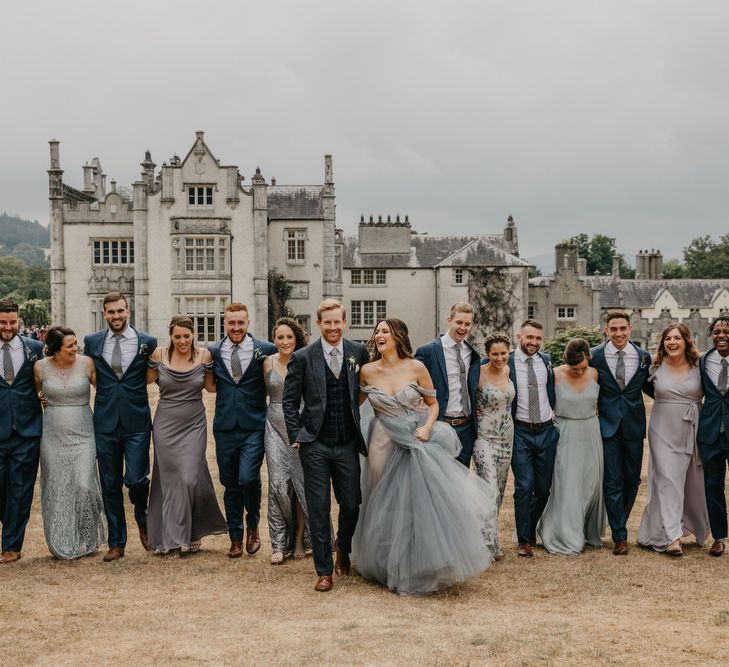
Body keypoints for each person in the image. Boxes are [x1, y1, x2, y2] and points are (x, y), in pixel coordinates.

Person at [354, 318, 496, 595]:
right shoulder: (366, 371)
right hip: (382, 439)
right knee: (383, 501)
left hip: (415, 436)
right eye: (378, 332)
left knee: (417, 500)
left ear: (398, 337)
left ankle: (421, 563)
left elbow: (433, 404)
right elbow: (352, 403)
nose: (380, 335)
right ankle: (385, 563)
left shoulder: (416, 367)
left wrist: (427, 427)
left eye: (386, 331)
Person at [282, 299, 369, 592]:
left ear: (344, 322)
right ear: (318, 324)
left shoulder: (359, 353)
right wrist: (297, 434)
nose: (333, 327)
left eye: (337, 322)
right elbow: (290, 402)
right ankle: (324, 570)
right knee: (318, 508)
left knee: (352, 504)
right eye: (327, 322)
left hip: (347, 442)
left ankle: (342, 547)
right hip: (315, 444)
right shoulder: (303, 357)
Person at [83, 292, 157, 562]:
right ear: (104, 313)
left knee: (137, 480)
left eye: (120, 311)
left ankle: (142, 516)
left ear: (129, 311)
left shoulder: (147, 342)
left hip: (137, 421)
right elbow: (87, 374)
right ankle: (117, 542)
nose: (116, 316)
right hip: (105, 422)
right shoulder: (91, 342)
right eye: (111, 312)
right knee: (110, 483)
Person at [146, 316, 226, 559]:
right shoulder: (159, 355)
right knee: (171, 481)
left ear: (194, 335)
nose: (182, 340)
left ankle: (191, 531)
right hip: (165, 424)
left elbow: (212, 387)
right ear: (170, 336)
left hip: (194, 423)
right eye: (177, 336)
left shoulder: (204, 356)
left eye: (186, 335)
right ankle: (173, 541)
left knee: (190, 477)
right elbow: (141, 381)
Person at [209, 303, 276, 558]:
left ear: (248, 324)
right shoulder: (214, 351)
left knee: (248, 477)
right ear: (225, 324)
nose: (236, 328)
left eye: (240, 323)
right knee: (230, 483)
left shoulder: (265, 350)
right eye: (231, 323)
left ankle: (253, 527)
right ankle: (235, 537)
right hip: (225, 427)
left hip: (254, 425)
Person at [34, 326, 106, 559]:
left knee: (84, 485)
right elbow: (37, 394)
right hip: (52, 436)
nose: (76, 348)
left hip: (84, 434)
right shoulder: (40, 367)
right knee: (58, 488)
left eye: (76, 344)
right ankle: (61, 540)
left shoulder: (87, 364)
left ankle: (88, 539)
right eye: (70, 345)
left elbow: (104, 391)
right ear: (55, 348)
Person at [637, 324, 709, 555]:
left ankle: (692, 525)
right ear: (662, 343)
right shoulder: (654, 366)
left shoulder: (701, 365)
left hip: (692, 429)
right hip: (662, 431)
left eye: (677, 338)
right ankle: (672, 537)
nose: (672, 342)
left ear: (687, 341)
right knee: (667, 481)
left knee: (691, 481)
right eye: (667, 338)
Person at [590, 311, 652, 555]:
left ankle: (620, 521)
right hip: (607, 427)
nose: (618, 333)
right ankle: (620, 535)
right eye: (613, 329)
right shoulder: (595, 355)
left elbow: (653, 387)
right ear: (606, 330)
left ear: (630, 329)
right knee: (613, 481)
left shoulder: (643, 357)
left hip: (635, 427)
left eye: (622, 329)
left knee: (632, 479)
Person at [537, 339, 606, 555]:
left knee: (590, 483)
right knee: (566, 483)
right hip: (564, 432)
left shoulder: (594, 374)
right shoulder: (555, 374)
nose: (579, 372)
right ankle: (566, 534)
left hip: (590, 431)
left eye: (583, 367)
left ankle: (586, 529)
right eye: (575, 368)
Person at [508, 319, 558, 558]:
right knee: (524, 486)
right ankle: (524, 540)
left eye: (538, 338)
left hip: (547, 430)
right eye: (530, 338)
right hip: (521, 432)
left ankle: (530, 527)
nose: (534, 342)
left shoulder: (546, 361)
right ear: (519, 337)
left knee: (543, 488)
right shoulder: (506, 362)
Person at [263, 317, 311, 564]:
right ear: (274, 339)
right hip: (273, 427)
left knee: (300, 485)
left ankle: (301, 538)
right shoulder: (267, 362)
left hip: (299, 427)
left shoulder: (305, 361)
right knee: (278, 485)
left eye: (289, 337)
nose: (284, 341)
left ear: (297, 338)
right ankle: (279, 543)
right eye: (280, 337)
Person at [0, 298, 43, 563]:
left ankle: (12, 546)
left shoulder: (35, 348)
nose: (7, 327)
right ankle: (10, 523)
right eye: (3, 322)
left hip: (27, 431)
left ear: (19, 322)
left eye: (12, 322)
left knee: (20, 489)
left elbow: (43, 379)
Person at [414, 302, 481, 467]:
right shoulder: (428, 351)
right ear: (449, 320)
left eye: (467, 324)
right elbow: (412, 380)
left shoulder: (472, 353)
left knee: (461, 478)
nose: (463, 327)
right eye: (459, 322)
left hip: (466, 427)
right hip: (440, 424)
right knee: (438, 477)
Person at [472, 333, 514, 558]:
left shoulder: (509, 371)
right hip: (483, 438)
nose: (499, 358)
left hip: (507, 438)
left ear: (509, 352)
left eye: (503, 353)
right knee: (487, 488)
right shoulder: (477, 373)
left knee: (498, 490)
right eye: (495, 354)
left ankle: (492, 539)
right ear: (487, 354)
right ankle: (482, 544)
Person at [698, 316, 729, 557]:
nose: (721, 335)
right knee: (712, 487)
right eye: (717, 332)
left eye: (726, 331)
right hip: (710, 434)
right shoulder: (703, 361)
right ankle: (719, 537)